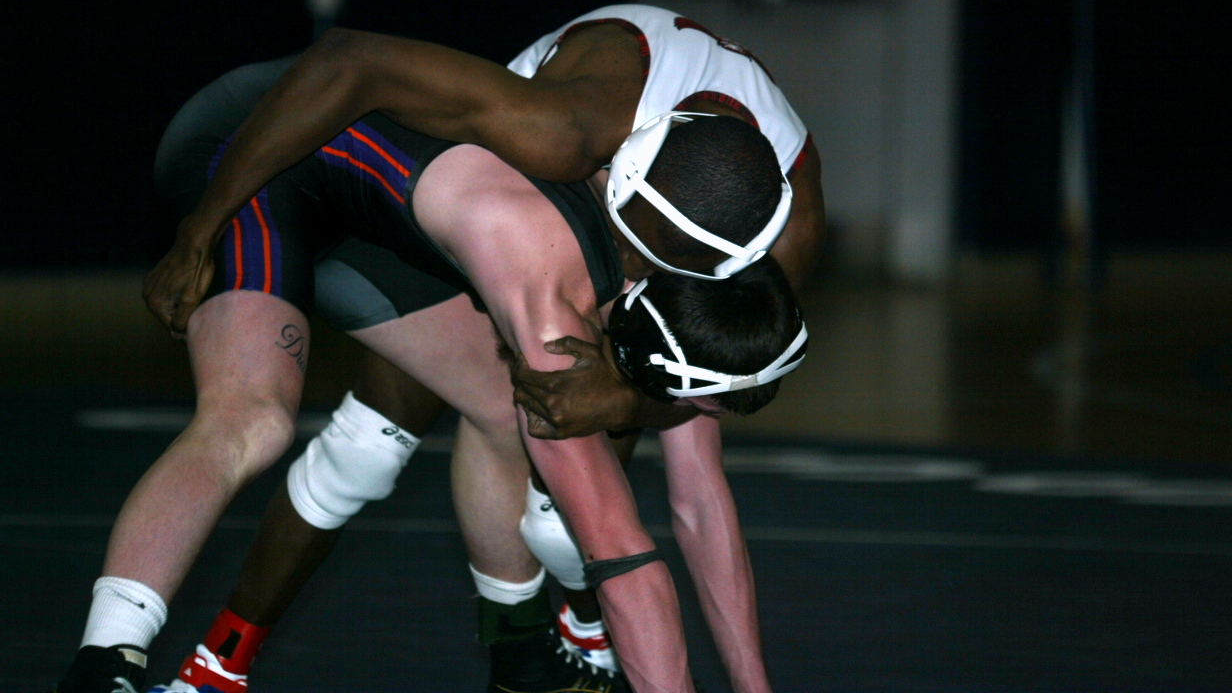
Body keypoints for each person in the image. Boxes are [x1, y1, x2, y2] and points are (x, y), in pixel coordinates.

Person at [52, 48, 800, 693]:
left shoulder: (655, 216)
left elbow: (674, 478)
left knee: (506, 413)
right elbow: (620, 552)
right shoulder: (552, 277)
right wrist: (200, 229)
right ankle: (105, 661)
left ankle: (520, 653)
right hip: (252, 147)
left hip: (373, 217)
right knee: (253, 418)